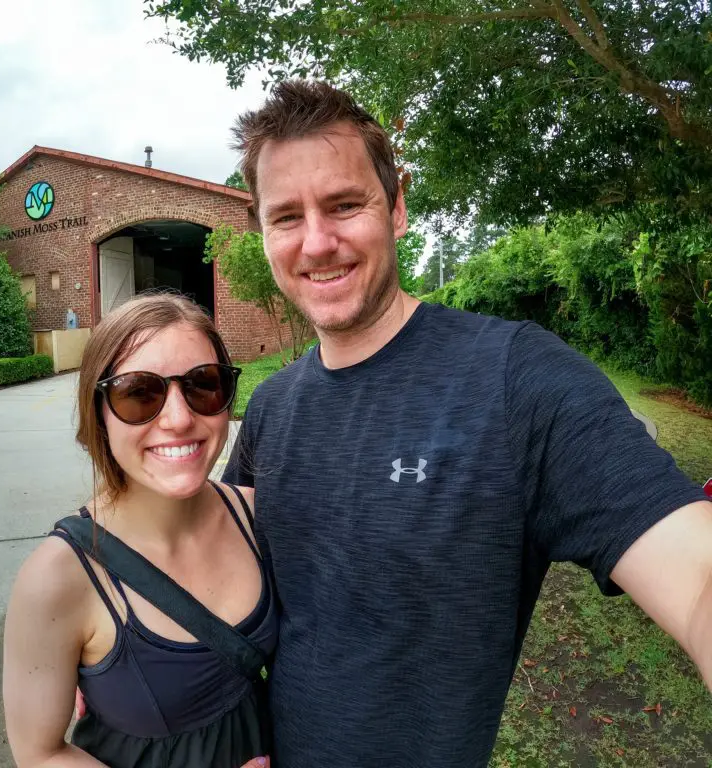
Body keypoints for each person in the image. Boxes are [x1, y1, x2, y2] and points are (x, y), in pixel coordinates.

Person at [221, 80, 712, 767]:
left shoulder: (513, 378)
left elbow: (696, 576)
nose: (318, 242)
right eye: (286, 217)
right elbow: (207, 580)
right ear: (263, 231)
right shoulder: (272, 408)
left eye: (343, 205)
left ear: (397, 206)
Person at [3, 294, 276, 768]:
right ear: (99, 412)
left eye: (203, 385)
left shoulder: (256, 519)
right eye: (139, 393)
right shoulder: (59, 576)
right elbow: (39, 753)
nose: (178, 419)